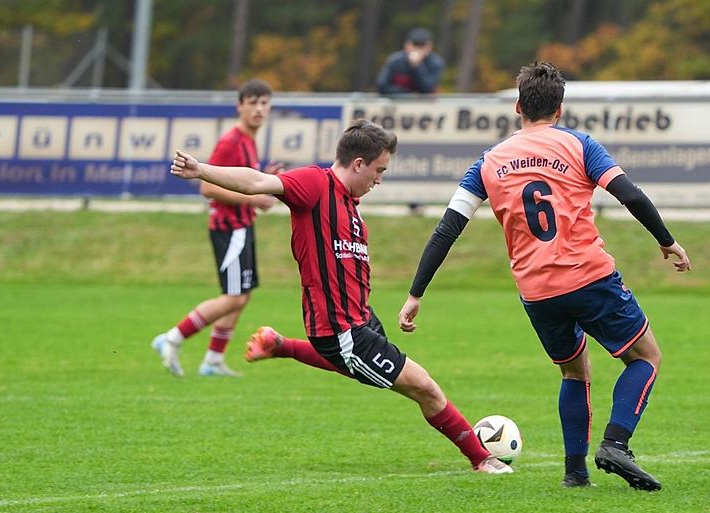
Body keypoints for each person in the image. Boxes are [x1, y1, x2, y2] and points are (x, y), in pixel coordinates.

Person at [397, 62, 691, 491]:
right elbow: (629, 194)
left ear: (518, 106)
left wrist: (415, 292)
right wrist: (666, 241)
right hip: (588, 276)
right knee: (645, 357)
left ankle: (575, 474)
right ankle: (616, 443)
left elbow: (447, 227)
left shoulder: (488, 161)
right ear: (560, 109)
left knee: (574, 373)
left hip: (536, 291)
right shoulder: (579, 144)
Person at [170, 119, 512, 474]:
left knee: (372, 373)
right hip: (342, 329)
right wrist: (200, 170)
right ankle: (482, 458)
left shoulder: (350, 205)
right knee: (424, 387)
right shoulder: (315, 183)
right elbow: (257, 182)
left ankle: (281, 345)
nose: (379, 179)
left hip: (360, 319)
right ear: (359, 164)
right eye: (378, 170)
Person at [151, 79, 281, 377]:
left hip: (242, 225)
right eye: (253, 102)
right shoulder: (231, 141)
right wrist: (256, 199)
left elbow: (238, 180)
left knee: (242, 295)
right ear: (240, 106)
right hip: (229, 227)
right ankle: (171, 338)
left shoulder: (248, 140)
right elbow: (207, 188)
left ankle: (212, 360)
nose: (259, 109)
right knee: (233, 296)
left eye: (265, 103)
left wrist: (263, 181)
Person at [376, 27, 445, 95]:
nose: (418, 49)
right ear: (407, 45)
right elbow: (382, 86)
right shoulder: (395, 60)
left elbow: (427, 89)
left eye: (422, 45)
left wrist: (417, 66)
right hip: (397, 103)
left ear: (430, 46)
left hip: (425, 104)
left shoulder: (436, 62)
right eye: (415, 44)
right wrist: (408, 94)